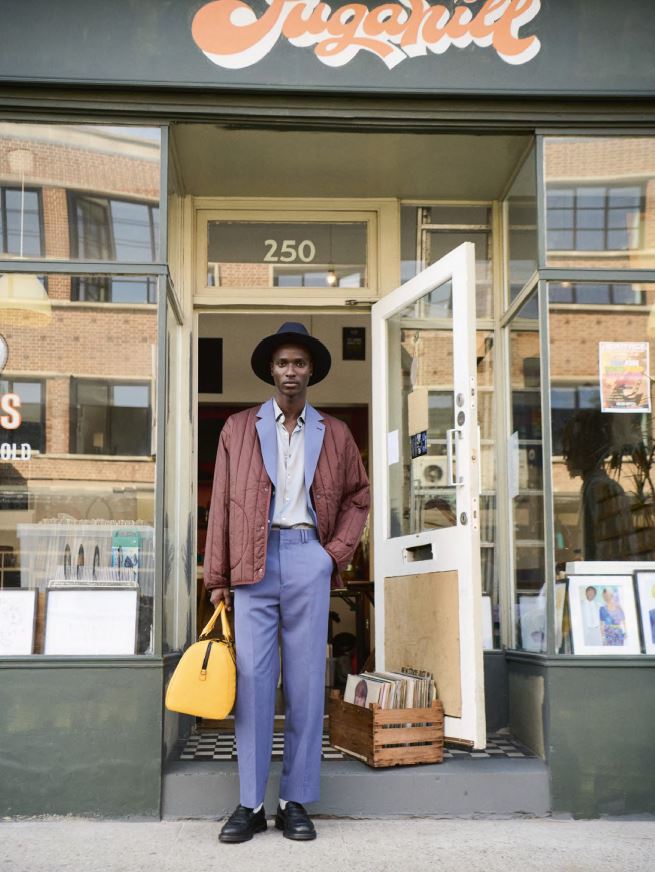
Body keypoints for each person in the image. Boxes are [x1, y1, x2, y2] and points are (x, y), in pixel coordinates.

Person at [203, 322, 370, 844]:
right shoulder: (238, 428)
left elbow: (359, 498)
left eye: (299, 363)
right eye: (282, 363)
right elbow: (221, 504)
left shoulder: (335, 432)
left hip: (307, 556)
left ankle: (294, 800)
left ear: (311, 370)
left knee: (305, 684)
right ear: (271, 371)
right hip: (251, 562)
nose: (291, 371)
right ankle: (251, 804)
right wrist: (217, 576)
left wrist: (331, 555)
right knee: (253, 683)